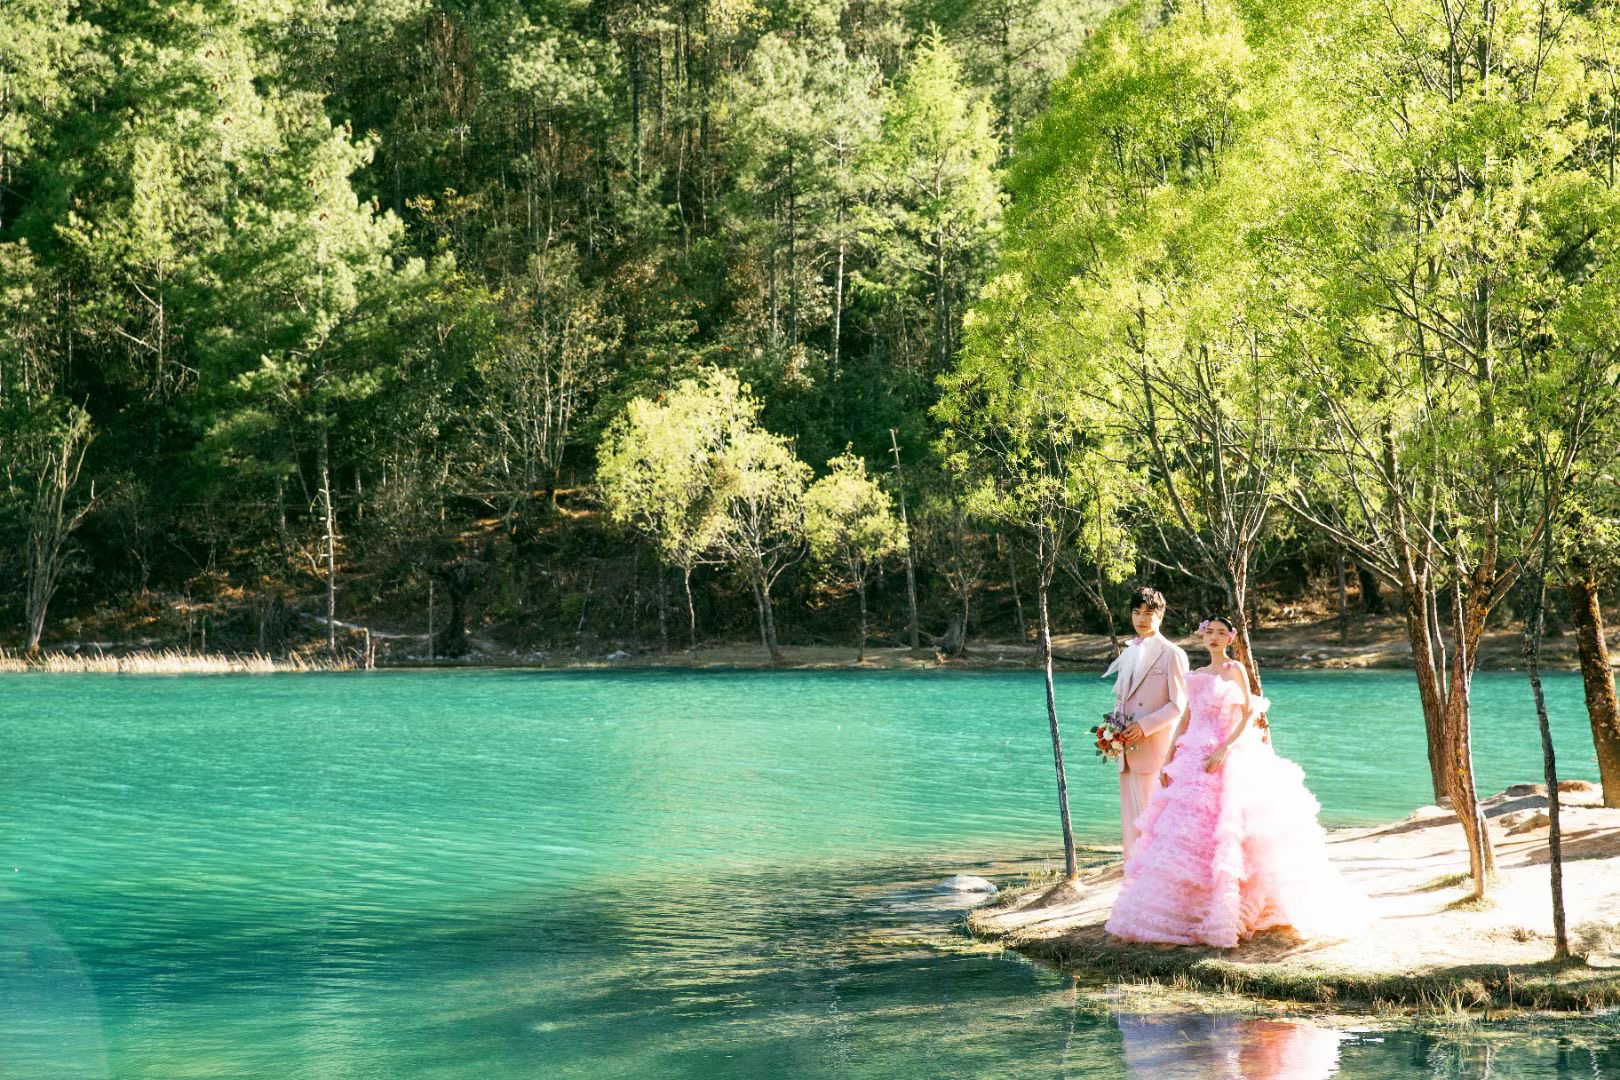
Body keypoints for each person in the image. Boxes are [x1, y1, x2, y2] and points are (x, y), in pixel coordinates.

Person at [1103, 616, 1368, 947]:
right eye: (1208, 633)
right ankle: (1187, 911)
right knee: (1184, 832)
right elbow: (1186, 716)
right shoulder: (1197, 675)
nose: (1213, 638)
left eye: (1220, 633)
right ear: (1202, 637)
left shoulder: (1235, 670)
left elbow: (1247, 714)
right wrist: (1169, 757)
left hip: (1224, 752)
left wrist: (1225, 749)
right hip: (1192, 756)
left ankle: (1233, 906)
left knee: (1228, 828)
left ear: (1230, 638)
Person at [1102, 587, 1189, 860]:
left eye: (1148, 613)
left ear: (1160, 616)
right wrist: (1111, 734)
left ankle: (1156, 888)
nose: (1141, 618)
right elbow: (1121, 701)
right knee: (1132, 829)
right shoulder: (1128, 651)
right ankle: (1133, 890)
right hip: (1126, 752)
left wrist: (1144, 726)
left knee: (1155, 824)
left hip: (1154, 751)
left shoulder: (1173, 654)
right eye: (1136, 612)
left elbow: (1179, 704)